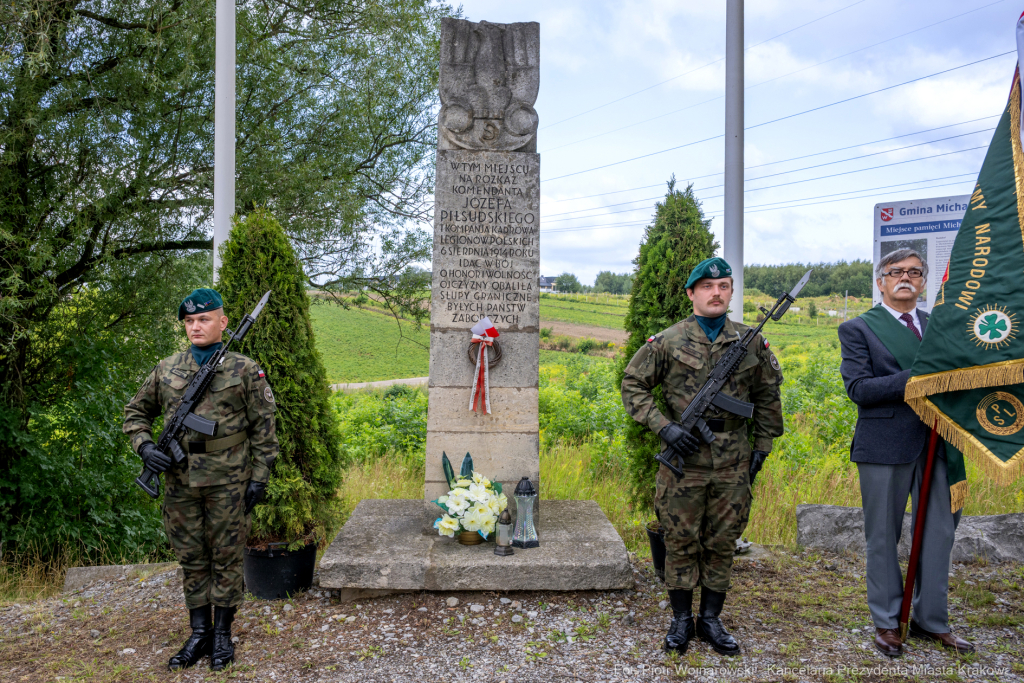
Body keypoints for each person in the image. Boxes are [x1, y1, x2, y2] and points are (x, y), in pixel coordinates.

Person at [621, 257, 784, 655]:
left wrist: (762, 447)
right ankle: (681, 619)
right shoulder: (668, 341)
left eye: (724, 285)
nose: (717, 293)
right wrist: (665, 426)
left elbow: (767, 398)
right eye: (708, 286)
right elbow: (632, 384)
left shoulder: (751, 342)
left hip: (733, 459)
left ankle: (710, 618)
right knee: (680, 539)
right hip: (684, 456)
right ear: (692, 293)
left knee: (723, 540)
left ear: (730, 291)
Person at [123, 288, 278, 671]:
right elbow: (134, 414)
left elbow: (265, 428)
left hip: (229, 479)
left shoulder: (244, 369)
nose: (196, 326)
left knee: (226, 557)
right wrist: (145, 448)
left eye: (204, 319)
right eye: (189, 321)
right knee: (192, 559)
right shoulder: (166, 369)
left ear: (223, 323)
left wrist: (259, 478)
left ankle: (222, 635)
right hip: (179, 481)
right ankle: (198, 633)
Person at [838, 248, 973, 657]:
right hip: (885, 445)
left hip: (940, 442)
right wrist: (917, 377)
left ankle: (932, 620)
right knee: (882, 535)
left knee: (939, 533)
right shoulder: (858, 328)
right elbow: (859, 390)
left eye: (915, 272)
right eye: (896, 272)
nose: (906, 278)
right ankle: (887, 622)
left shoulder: (939, 327)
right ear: (880, 282)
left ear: (923, 282)